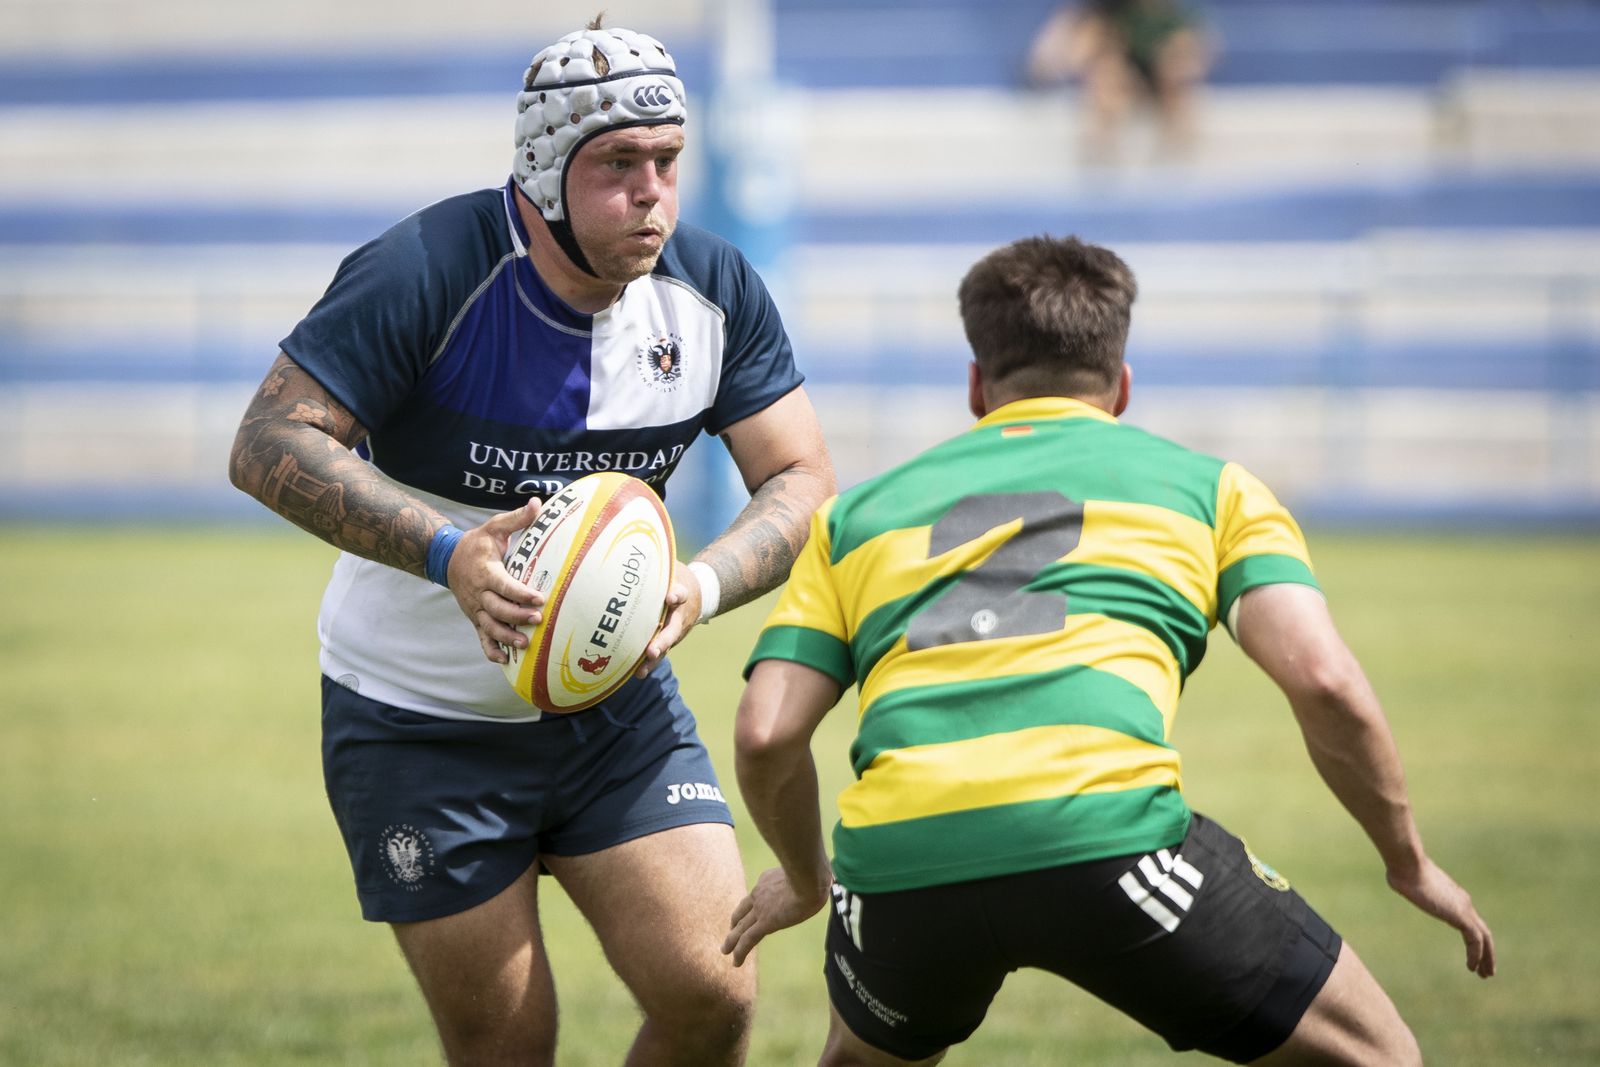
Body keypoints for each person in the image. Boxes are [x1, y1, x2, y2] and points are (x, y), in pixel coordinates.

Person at [720, 235, 1494, 1065]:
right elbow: (1325, 680)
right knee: (1380, 1053)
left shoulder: (854, 518)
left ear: (978, 387)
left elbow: (766, 730)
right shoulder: (1213, 492)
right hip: (1104, 836)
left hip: (901, 863)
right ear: (1121, 385)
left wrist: (806, 878)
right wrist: (1408, 861)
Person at [228, 17, 834, 1066]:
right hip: (418, 724)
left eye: (667, 161)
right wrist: (449, 551)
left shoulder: (712, 289)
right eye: (618, 164)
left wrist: (700, 584)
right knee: (508, 1043)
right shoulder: (425, 266)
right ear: (545, 169)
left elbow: (802, 476)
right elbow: (268, 440)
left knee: (713, 994)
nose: (651, 192)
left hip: (615, 712)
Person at [1026, 0, 1216, 164]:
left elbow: (1196, 56)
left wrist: (1177, 65)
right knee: (1106, 78)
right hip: (1115, 77)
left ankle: (1176, 159)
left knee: (1177, 78)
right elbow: (1046, 65)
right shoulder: (1096, 17)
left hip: (1156, 81)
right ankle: (1100, 157)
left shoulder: (1171, 19)